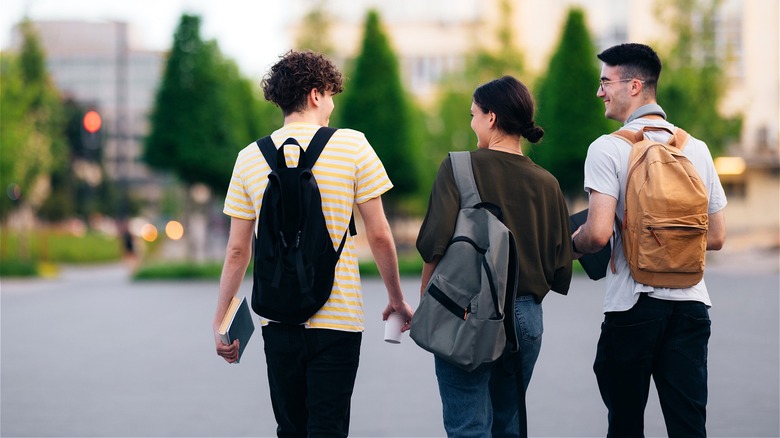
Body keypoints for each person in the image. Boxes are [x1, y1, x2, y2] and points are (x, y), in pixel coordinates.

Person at [212, 50, 414, 437]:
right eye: (331, 96)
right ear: (316, 94)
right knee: (329, 428)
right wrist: (395, 298)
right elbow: (379, 233)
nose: (332, 106)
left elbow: (238, 250)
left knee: (290, 429)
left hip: (278, 318)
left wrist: (222, 321)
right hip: (338, 319)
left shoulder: (249, 158)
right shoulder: (353, 146)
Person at [570, 43, 727, 437]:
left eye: (605, 81)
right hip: (691, 305)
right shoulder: (697, 149)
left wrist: (571, 243)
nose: (599, 91)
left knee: (624, 424)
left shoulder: (607, 149)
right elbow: (717, 236)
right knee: (689, 424)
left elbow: (599, 232)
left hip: (632, 306)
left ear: (634, 85)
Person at [417, 75, 572, 436]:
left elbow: (433, 245)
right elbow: (560, 268)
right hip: (526, 316)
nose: (471, 122)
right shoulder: (547, 182)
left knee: (468, 425)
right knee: (509, 424)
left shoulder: (457, 167)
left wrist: (427, 299)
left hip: (465, 310)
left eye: (473, 114)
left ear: (491, 118)